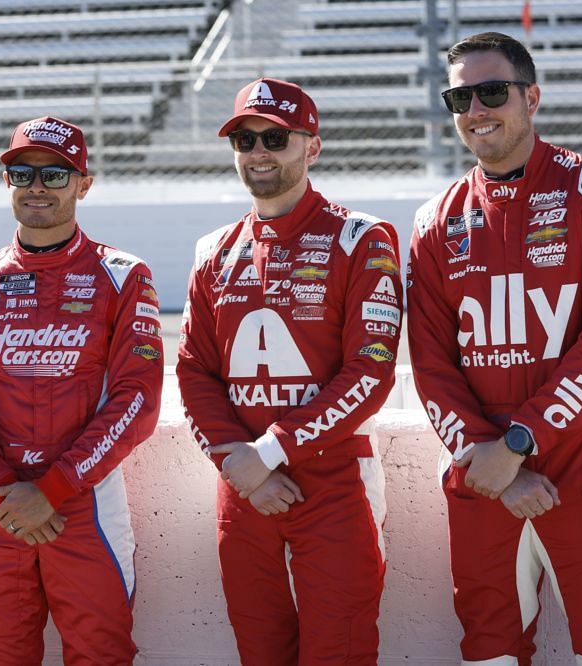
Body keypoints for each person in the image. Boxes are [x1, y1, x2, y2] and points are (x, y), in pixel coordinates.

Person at [407, 32, 582, 665]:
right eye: (460, 96)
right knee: (487, 653)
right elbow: (431, 364)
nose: (476, 110)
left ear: (531, 97)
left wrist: (518, 445)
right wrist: (483, 457)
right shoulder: (435, 218)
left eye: (492, 91)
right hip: (481, 475)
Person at [177, 78, 401, 664]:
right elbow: (194, 371)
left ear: (312, 147)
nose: (258, 152)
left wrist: (270, 452)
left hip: (333, 484)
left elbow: (370, 372)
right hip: (242, 486)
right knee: (260, 652)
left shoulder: (362, 238)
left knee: (341, 652)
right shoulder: (212, 250)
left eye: (275, 138)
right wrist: (240, 464)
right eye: (245, 139)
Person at [0, 116, 163, 665]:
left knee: (101, 655)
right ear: (6, 181)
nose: (37, 186)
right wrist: (5, 489)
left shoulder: (124, 275)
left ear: (84, 183)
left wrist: (54, 488)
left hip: (86, 504)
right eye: (23, 172)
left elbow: (138, 400)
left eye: (56, 174)